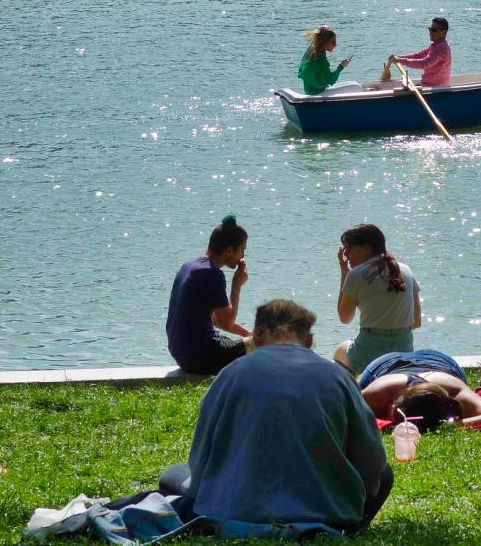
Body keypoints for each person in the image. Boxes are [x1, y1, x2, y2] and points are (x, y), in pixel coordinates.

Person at [171, 299, 391, 531]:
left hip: (235, 509)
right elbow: (371, 457)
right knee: (384, 475)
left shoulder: (230, 375)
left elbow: (201, 456)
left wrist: (205, 495)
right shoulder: (340, 378)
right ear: (309, 341)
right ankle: (351, 527)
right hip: (326, 512)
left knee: (173, 474)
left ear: (256, 337)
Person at [166, 214, 251, 376]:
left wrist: (246, 334)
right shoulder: (212, 275)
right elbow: (227, 322)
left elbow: (215, 320)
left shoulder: (189, 267)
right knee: (261, 342)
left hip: (182, 354)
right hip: (200, 358)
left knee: (249, 339)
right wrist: (236, 285)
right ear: (229, 250)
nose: (242, 256)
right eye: (242, 250)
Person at [334, 223, 421, 374]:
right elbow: (416, 322)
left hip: (369, 355)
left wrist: (345, 274)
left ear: (367, 248)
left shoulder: (357, 275)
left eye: (349, 248)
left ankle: (352, 391)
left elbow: (344, 318)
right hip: (403, 353)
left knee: (340, 350)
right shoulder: (406, 270)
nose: (345, 254)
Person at [358, 349, 481, 428]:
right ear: (393, 405)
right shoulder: (381, 392)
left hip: (438, 361)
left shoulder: (454, 392)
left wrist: (452, 424)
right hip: (387, 364)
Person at [386, 17, 451, 87]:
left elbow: (424, 64)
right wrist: (398, 58)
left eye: (434, 30)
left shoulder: (441, 48)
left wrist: (401, 60)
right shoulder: (436, 45)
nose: (430, 32)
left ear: (443, 33)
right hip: (428, 85)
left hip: (437, 88)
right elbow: (418, 55)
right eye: (430, 29)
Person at [297, 26, 353, 95]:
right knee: (356, 87)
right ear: (326, 42)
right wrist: (341, 66)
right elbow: (330, 80)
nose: (335, 45)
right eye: (333, 42)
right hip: (318, 94)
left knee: (352, 83)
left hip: (310, 91)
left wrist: (323, 31)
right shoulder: (320, 60)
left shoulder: (311, 50)